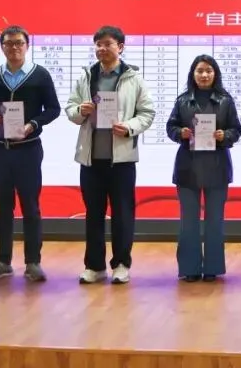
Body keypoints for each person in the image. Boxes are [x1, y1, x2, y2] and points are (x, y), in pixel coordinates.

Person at [66, 25, 156, 285]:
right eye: (98, 44)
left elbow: (147, 113)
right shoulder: (86, 76)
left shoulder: (133, 78)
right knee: (93, 214)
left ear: (121, 47)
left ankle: (121, 264)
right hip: (91, 158)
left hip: (122, 159)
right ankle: (94, 266)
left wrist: (129, 127)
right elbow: (70, 109)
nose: (102, 49)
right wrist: (80, 111)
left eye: (107, 44)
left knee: (123, 214)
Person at [0, 25, 61, 283]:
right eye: (9, 43)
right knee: (2, 208)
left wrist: (33, 124)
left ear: (27, 46)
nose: (14, 48)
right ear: (2, 46)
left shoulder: (40, 75)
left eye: (19, 43)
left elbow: (53, 109)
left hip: (28, 150)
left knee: (30, 207)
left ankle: (33, 262)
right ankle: (2, 261)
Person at [166, 55, 241, 282]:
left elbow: (236, 130)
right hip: (187, 167)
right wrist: (180, 133)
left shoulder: (226, 100)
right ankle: (189, 268)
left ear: (215, 74)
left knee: (214, 222)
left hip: (217, 167)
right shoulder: (182, 101)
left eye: (208, 71)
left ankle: (212, 267)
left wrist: (224, 135)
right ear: (193, 74)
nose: (204, 75)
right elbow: (170, 127)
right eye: (200, 71)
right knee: (188, 222)